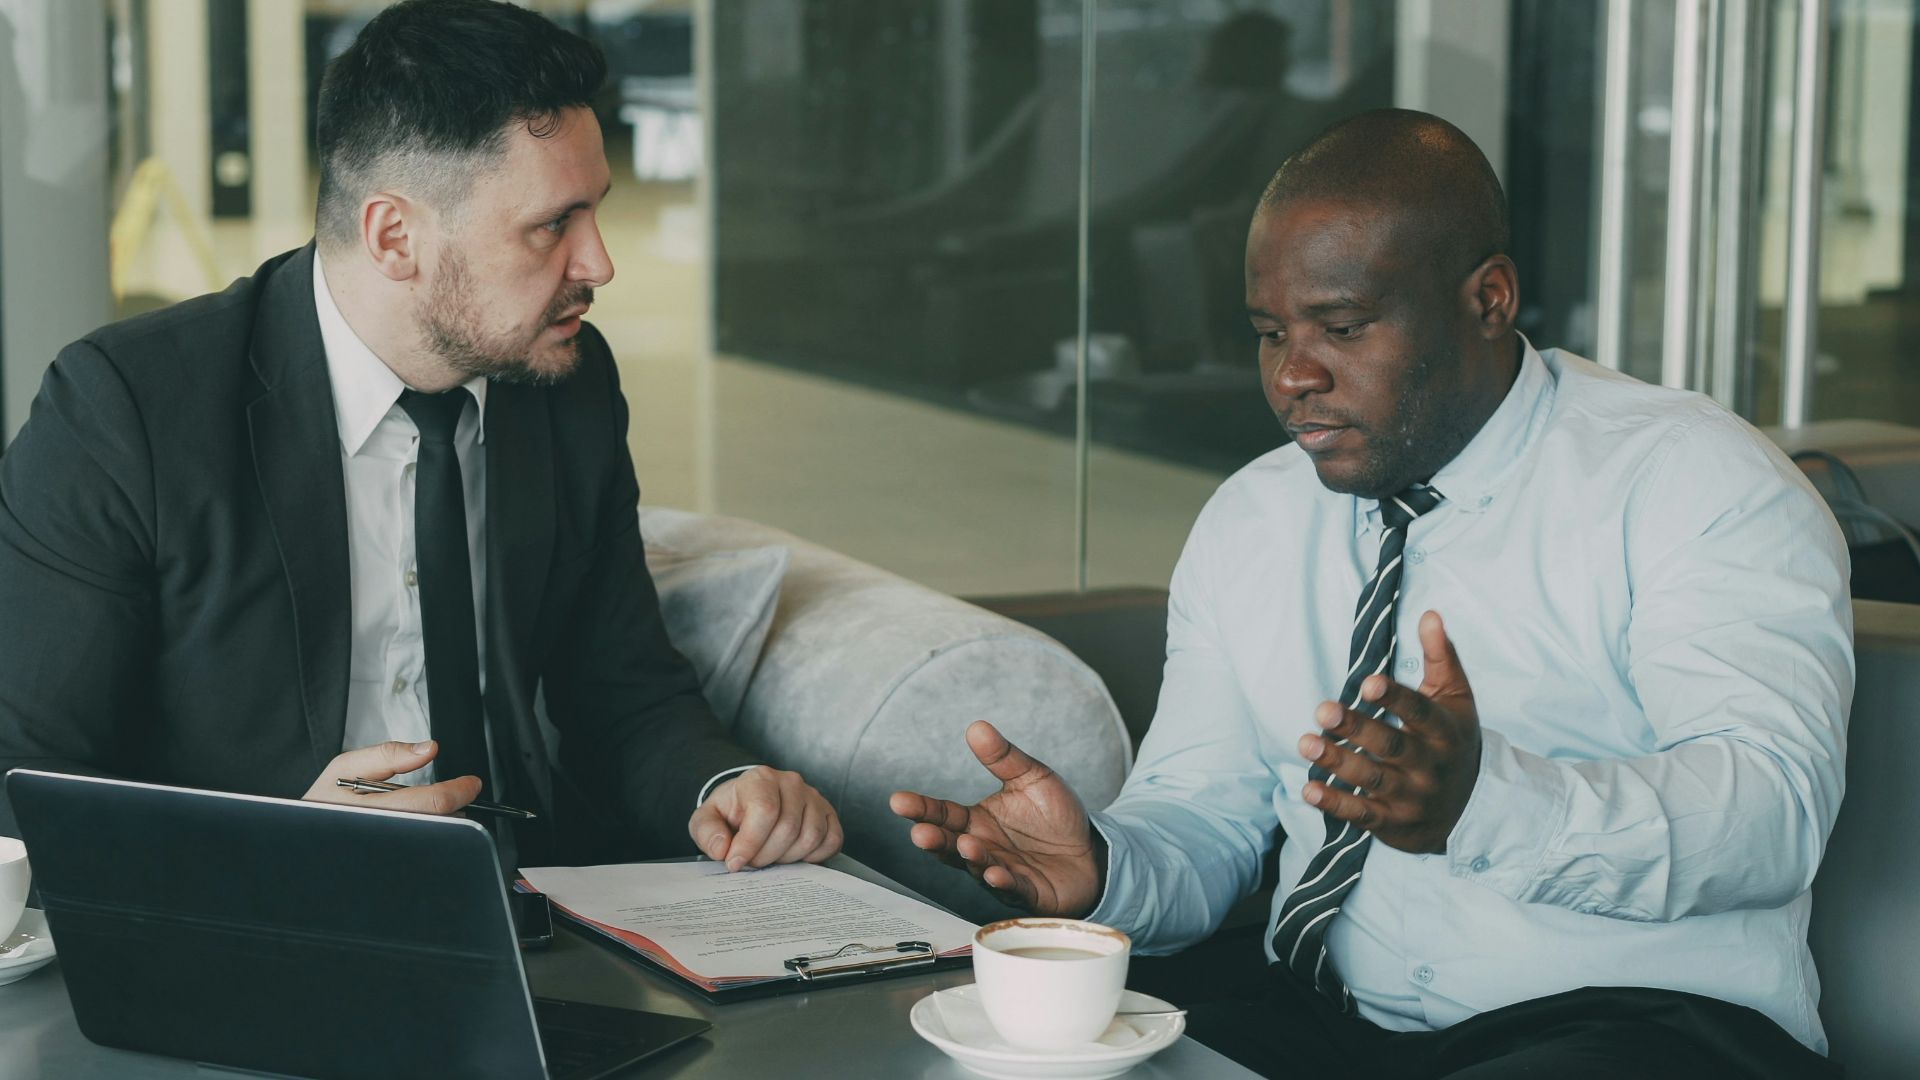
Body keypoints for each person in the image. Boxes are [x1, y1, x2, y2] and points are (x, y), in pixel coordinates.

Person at [893, 109, 1851, 1077]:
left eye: (1342, 328)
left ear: (1489, 299)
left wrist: (1484, 802)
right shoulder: (1254, 518)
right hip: (1324, 1017)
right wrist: (1101, 869)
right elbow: (1204, 821)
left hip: (1634, 1028)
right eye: (1271, 334)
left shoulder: (1693, 481)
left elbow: (1771, 813)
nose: (1295, 376)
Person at [0, 0, 841, 874]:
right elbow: (22, 775)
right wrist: (269, 844)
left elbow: (621, 685)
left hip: (533, 908)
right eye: (554, 223)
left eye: (595, 212)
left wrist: (722, 787)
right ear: (394, 236)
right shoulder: (128, 408)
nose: (598, 263)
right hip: (246, 922)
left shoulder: (568, 384)